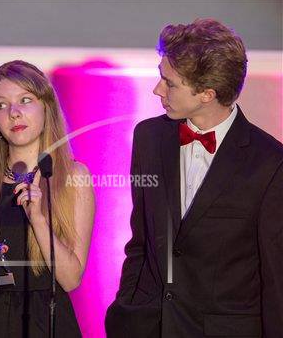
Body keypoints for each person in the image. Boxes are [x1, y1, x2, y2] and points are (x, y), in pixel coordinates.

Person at [105, 19, 283, 337]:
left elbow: (276, 277)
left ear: (206, 94)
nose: (157, 89)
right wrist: (126, 313)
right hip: (148, 326)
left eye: (169, 82)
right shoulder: (149, 137)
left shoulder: (270, 163)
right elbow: (140, 242)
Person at [0, 60, 95, 337]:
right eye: (1, 105)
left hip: (45, 322)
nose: (14, 113)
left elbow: (71, 278)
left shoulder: (74, 176)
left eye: (25, 100)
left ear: (46, 106)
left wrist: (37, 218)